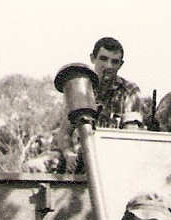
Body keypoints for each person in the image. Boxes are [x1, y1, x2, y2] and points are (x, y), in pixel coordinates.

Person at [56, 37, 144, 172]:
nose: (109, 66)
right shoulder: (79, 88)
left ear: (120, 64)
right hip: (79, 156)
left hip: (111, 158)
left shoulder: (130, 91)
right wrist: (69, 154)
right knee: (35, 166)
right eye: (103, 59)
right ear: (93, 58)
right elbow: (64, 133)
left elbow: (131, 136)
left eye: (114, 62)